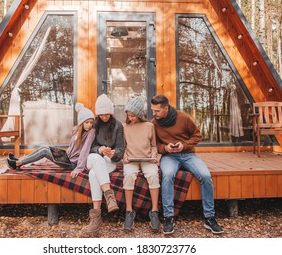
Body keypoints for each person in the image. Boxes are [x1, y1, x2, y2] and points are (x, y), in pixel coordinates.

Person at [150, 94, 224, 235]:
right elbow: (154, 144)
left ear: (166, 108)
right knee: (168, 175)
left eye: (157, 110)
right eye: (153, 110)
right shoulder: (154, 123)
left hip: (188, 154)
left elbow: (197, 135)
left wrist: (184, 145)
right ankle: (168, 217)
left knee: (205, 175)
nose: (154, 113)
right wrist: (165, 148)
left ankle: (209, 218)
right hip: (169, 157)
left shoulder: (183, 117)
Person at [6, 103, 95, 178]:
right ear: (81, 123)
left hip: (72, 164)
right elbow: (72, 147)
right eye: (86, 122)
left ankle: (18, 163)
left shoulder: (90, 133)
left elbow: (85, 151)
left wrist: (79, 168)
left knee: (45, 151)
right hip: (66, 157)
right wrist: (63, 154)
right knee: (44, 147)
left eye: (91, 122)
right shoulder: (77, 131)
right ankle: (20, 161)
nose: (89, 125)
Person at [82, 94, 124, 235]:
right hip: (92, 158)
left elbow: (120, 149)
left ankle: (95, 218)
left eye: (107, 114)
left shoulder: (118, 126)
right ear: (97, 114)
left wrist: (113, 153)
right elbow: (89, 146)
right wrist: (99, 149)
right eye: (101, 115)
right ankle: (109, 195)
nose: (104, 117)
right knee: (96, 157)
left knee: (94, 174)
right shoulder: (93, 124)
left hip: (108, 161)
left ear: (111, 113)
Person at [122, 96, 161, 232]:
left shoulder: (149, 126)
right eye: (129, 115)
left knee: (153, 175)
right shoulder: (125, 127)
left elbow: (154, 146)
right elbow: (123, 147)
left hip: (147, 159)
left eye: (133, 115)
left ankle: (154, 211)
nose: (130, 118)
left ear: (139, 114)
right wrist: (124, 157)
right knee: (128, 176)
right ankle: (129, 211)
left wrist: (153, 156)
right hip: (131, 160)